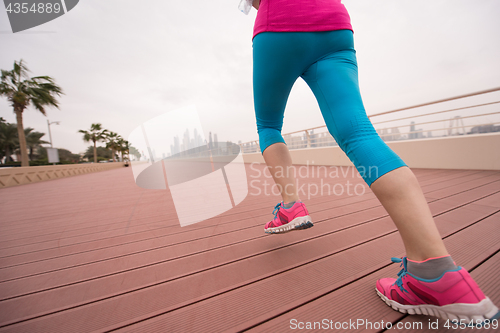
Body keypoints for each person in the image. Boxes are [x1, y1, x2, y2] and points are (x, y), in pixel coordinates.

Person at [249, 0, 498, 323]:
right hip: (333, 23)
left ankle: (291, 205)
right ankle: (436, 270)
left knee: (269, 126)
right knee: (358, 132)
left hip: (278, 23)